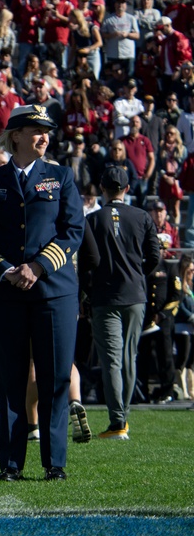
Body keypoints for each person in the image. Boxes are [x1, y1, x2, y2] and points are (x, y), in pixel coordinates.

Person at [0, 105, 84, 482]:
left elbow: (73, 231)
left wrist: (37, 267)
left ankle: (55, 463)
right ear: (14, 136)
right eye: (35, 129)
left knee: (54, 379)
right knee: (11, 378)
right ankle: (11, 464)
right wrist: (5, 270)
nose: (44, 136)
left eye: (46, 130)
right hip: (6, 293)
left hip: (54, 292)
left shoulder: (62, 176)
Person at [85, 167, 159, 441]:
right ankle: (122, 419)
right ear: (127, 189)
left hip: (105, 296)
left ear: (102, 189)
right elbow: (154, 256)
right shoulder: (141, 216)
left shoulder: (92, 220)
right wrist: (138, 274)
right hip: (135, 295)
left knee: (111, 361)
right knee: (129, 358)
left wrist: (86, 291)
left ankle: (118, 422)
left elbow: (87, 261)